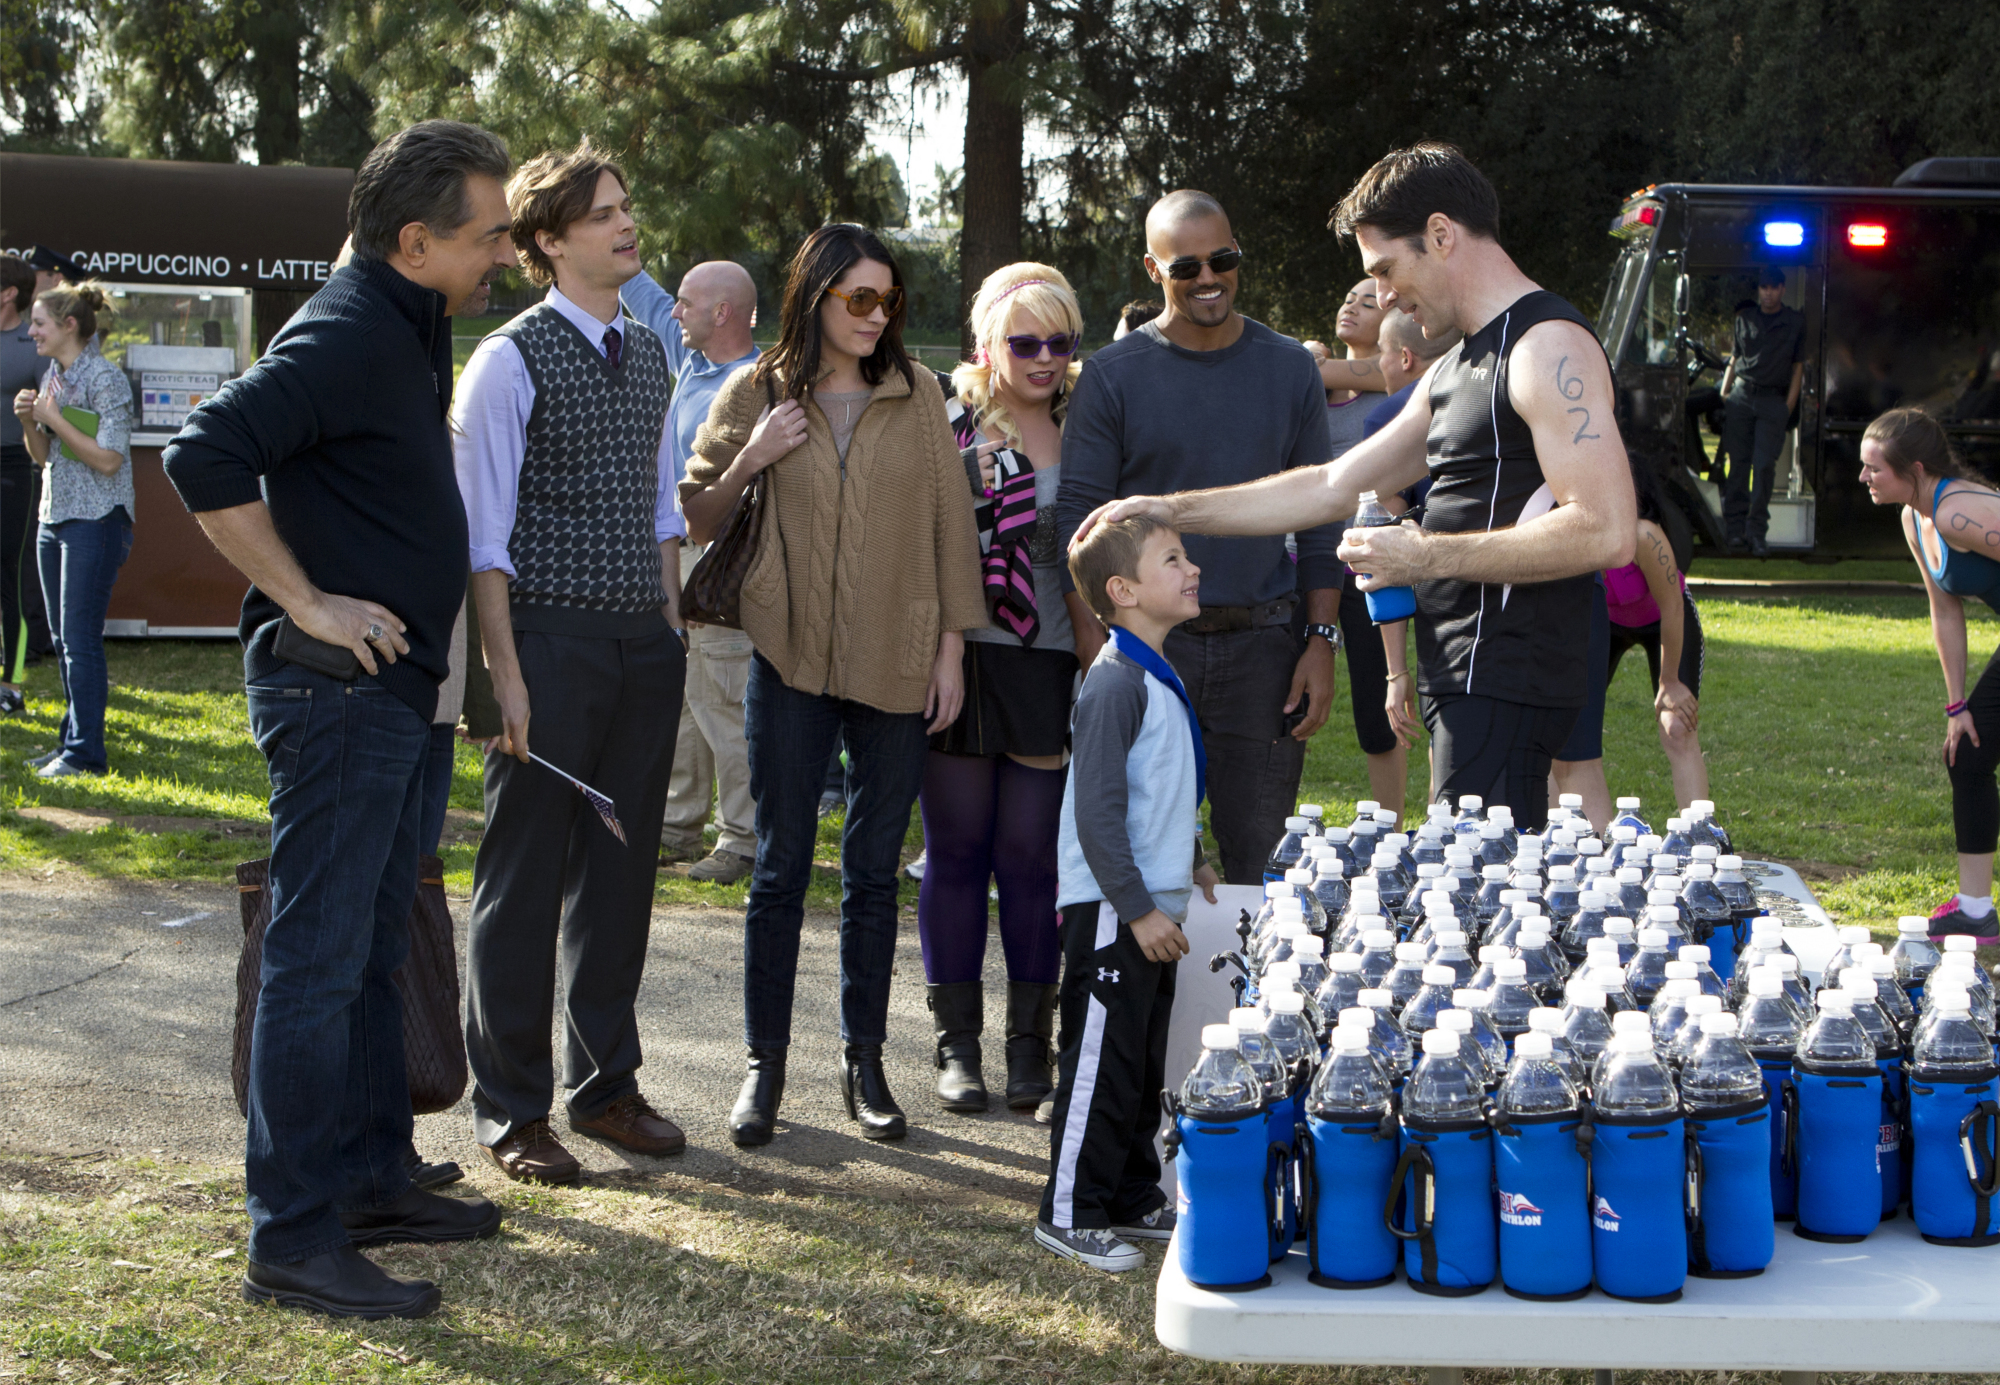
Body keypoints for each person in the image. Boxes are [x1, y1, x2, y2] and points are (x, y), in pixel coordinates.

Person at [162, 119, 517, 1320]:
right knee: (314, 966)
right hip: (336, 698)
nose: (507, 255)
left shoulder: (409, 318)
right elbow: (204, 454)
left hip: (397, 697)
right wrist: (307, 598)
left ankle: (370, 1179)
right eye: (490, 236)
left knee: (368, 947)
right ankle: (293, 1235)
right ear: (414, 240)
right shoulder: (348, 328)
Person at [1078, 143, 1636, 831]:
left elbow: (1606, 527)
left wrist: (1424, 555)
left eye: (1385, 270)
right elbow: (1329, 485)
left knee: (1475, 917)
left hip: (1510, 681)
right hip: (1463, 680)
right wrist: (1168, 507)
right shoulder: (1459, 363)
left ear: (1440, 234)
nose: (1383, 298)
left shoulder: (1546, 346)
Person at [682, 224, 985, 1147]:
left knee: (870, 872)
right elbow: (695, 513)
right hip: (789, 655)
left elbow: (949, 528)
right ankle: (763, 1067)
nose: (877, 314)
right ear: (815, 293)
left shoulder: (920, 394)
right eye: (859, 297)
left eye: (887, 299)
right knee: (777, 867)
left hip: (897, 656)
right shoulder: (757, 388)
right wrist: (753, 456)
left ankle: (866, 1062)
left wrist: (949, 651)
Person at [455, 143, 691, 1184]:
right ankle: (511, 1107)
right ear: (546, 241)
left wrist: (670, 626)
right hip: (544, 640)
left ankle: (605, 1086)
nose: (623, 225)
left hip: (641, 640)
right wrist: (504, 672)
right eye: (601, 214)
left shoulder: (650, 351)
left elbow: (659, 509)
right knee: (523, 875)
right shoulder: (507, 356)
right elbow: (482, 533)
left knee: (621, 872)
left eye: (625, 207)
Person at [1055, 189, 1341, 884]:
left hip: (1264, 651)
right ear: (1153, 270)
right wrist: (1101, 650)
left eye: (1224, 258)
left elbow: (1322, 514)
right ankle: (1147, 997)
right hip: (1154, 650)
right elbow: (1081, 524)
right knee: (1148, 856)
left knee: (1255, 857)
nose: (1208, 277)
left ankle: (1247, 997)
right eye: (1186, 267)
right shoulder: (1113, 375)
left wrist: (1320, 641)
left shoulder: (1290, 367)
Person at [920, 263, 1083, 1116]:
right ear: (988, 345)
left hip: (1050, 660)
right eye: (1026, 341)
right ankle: (958, 1046)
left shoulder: (1087, 428)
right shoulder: (949, 428)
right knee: (957, 852)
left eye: (1062, 341)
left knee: (1029, 856)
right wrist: (941, 651)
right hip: (962, 660)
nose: (1045, 357)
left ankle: (1031, 1046)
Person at [1036, 513, 1218, 1271]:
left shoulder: (1154, 676)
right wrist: (1138, 908)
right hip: (1117, 910)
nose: (1192, 568)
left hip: (1148, 907)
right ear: (1124, 591)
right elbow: (1098, 810)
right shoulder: (1115, 682)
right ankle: (1070, 1209)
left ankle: (1132, 1191)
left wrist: (1196, 857)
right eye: (1171, 559)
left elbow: (1159, 794)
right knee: (1098, 1062)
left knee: (1140, 1060)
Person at [622, 259, 762, 884]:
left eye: (686, 303)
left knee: (724, 695)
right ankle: (678, 830)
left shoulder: (757, 384)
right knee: (678, 695)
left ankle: (743, 840)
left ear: (722, 312)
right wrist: (616, 244)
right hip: (671, 552)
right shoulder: (690, 362)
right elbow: (637, 290)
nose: (673, 311)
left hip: (723, 559)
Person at [1860, 406, 2000, 943]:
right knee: (1968, 750)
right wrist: (1957, 705)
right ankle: (1974, 910)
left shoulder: (1956, 511)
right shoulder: (1915, 519)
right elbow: (1945, 611)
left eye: (1875, 469)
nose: (1864, 478)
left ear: (1914, 468)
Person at [11, 281, 133, 778]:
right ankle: (69, 743)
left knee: (79, 639)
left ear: (69, 326)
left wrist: (54, 419)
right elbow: (44, 458)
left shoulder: (106, 379)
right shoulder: (53, 375)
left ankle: (86, 754)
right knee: (63, 640)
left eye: (38, 323)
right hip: (54, 515)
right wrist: (29, 423)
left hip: (96, 521)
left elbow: (108, 460)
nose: (30, 331)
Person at [1550, 464, 1708, 827]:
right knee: (1561, 726)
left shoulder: (1645, 535)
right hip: (1609, 623)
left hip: (1664, 623)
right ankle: (1558, 832)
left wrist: (1670, 682)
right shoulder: (1578, 535)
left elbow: (1672, 610)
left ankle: (1700, 834)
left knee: (1677, 727)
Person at [1365, 308, 1461, 810]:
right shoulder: (1497, 393)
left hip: (1443, 618)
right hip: (1534, 608)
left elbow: (1377, 543)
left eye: (1379, 355)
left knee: (1447, 760)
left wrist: (1394, 670)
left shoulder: (1390, 416)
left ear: (1404, 357)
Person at [1719, 266, 1804, 556]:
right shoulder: (1744, 319)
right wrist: (1725, 391)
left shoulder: (1794, 322)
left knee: (1764, 466)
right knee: (1738, 465)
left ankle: (1757, 535)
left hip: (1773, 401)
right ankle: (1734, 532)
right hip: (1742, 395)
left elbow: (1798, 368)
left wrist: (1787, 407)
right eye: (1763, 288)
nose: (1768, 293)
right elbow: (1735, 357)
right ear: (1759, 290)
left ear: (1782, 289)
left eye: (1773, 287)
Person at [1, 254, 41, 716]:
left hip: (14, 468)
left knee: (9, 576)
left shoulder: (30, 344)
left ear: (9, 293)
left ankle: (11, 684)